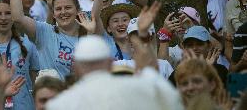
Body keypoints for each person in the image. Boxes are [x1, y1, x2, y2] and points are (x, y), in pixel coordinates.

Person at [46, 35, 184, 110]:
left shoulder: (60, 104)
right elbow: (171, 100)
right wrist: (148, 71)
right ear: (110, 62)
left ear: (75, 67)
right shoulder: (138, 89)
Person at [10, 0, 95, 80]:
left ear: (78, 11)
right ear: (53, 13)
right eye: (58, 9)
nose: (63, 12)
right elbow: (18, 18)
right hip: (53, 97)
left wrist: (91, 33)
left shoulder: (88, 34)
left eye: (68, 8)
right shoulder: (45, 32)